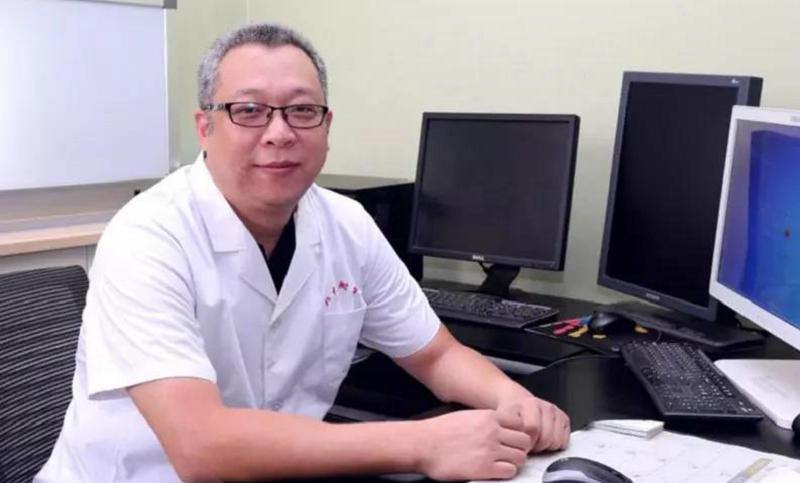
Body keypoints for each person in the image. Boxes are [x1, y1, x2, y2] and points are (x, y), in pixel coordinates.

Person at [36, 23, 570, 482]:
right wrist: (424, 443)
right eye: (249, 110)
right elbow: (201, 446)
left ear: (326, 126)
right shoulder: (148, 236)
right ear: (206, 128)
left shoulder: (347, 225)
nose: (280, 132)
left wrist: (511, 400)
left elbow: (435, 355)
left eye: (302, 111)